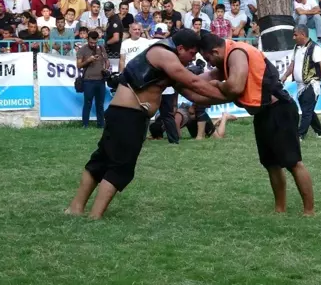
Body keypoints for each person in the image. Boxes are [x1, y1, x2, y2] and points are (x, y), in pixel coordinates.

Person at [65, 29, 227, 219]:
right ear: (181, 48)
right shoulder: (163, 53)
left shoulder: (169, 60)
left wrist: (224, 78)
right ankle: (94, 215)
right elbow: (193, 82)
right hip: (127, 116)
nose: (192, 60)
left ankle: (76, 208)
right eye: (192, 54)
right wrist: (232, 93)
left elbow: (194, 88)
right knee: (120, 166)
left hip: (127, 115)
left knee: (102, 160)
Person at [182, 34, 315, 216]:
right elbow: (210, 75)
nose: (210, 63)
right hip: (263, 114)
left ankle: (309, 210)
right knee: (271, 164)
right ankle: (280, 209)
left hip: (279, 109)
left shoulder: (237, 53)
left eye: (208, 58)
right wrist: (182, 80)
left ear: (215, 51)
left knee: (293, 162)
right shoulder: (226, 58)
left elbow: (235, 87)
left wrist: (217, 85)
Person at [280, 25, 321, 140]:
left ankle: (300, 135)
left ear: (303, 34)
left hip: (312, 84)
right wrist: (284, 76)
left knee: (306, 111)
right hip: (300, 86)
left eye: (295, 35)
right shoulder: (296, 47)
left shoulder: (315, 48)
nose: (293, 37)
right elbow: (292, 64)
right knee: (308, 110)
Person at [76, 31, 109, 128]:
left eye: (95, 42)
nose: (93, 44)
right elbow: (78, 65)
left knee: (100, 104)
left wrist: (105, 68)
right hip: (88, 81)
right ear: (87, 40)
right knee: (88, 103)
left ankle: (101, 124)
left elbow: (107, 61)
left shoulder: (102, 48)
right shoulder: (82, 50)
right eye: (91, 42)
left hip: (101, 80)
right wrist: (88, 60)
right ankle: (85, 124)